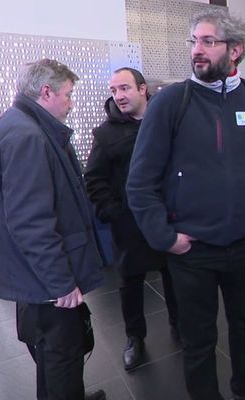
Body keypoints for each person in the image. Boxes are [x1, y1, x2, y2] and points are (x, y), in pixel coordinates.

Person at [126, 9, 245, 400]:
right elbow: (140, 183)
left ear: (236, 50)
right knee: (198, 338)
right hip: (192, 249)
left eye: (208, 42)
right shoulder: (170, 102)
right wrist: (166, 238)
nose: (197, 50)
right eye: (194, 41)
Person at [0, 59, 106, 400]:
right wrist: (61, 283)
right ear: (46, 91)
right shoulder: (27, 136)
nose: (71, 103)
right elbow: (31, 223)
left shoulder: (21, 125)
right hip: (47, 282)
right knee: (63, 356)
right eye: (68, 95)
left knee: (51, 353)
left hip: (36, 277)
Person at [84, 67, 179, 371]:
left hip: (168, 220)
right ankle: (134, 338)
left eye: (124, 88)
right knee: (131, 283)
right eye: (113, 90)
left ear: (142, 89)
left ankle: (181, 327)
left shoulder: (166, 123)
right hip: (129, 226)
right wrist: (115, 212)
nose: (118, 96)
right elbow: (94, 179)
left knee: (175, 277)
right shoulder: (106, 133)